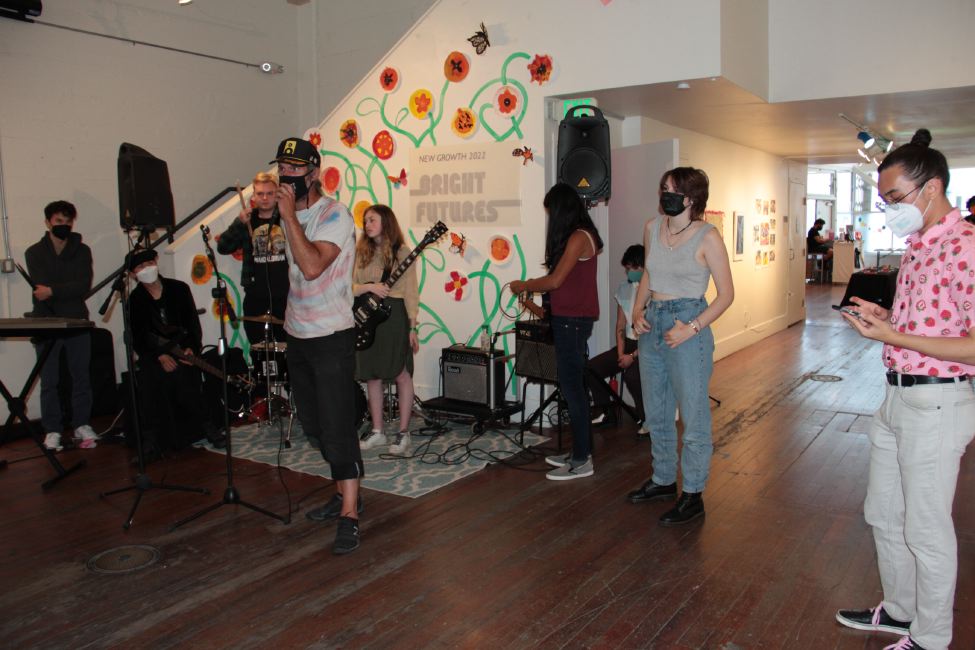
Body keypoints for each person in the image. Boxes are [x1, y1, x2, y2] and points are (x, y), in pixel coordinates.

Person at [836, 129, 975, 650]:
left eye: (895, 198)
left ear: (931, 188)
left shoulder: (966, 247)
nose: (889, 209)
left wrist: (893, 335)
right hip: (897, 396)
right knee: (884, 513)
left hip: (938, 401)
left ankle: (932, 637)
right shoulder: (919, 245)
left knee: (926, 528)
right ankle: (901, 612)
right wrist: (887, 318)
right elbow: (933, 324)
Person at [626, 167, 734, 525]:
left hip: (687, 323)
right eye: (663, 188)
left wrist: (693, 327)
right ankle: (663, 480)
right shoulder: (652, 227)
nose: (665, 195)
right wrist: (637, 310)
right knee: (656, 412)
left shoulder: (707, 237)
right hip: (653, 323)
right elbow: (649, 274)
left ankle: (693, 494)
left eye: (672, 190)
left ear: (690, 198)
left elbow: (726, 295)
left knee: (693, 415)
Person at [272, 137, 363, 555]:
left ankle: (350, 512)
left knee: (337, 425)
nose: (285, 175)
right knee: (312, 425)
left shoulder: (335, 215)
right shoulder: (287, 214)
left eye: (294, 169)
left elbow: (310, 267)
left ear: (313, 174)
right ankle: (343, 489)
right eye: (281, 168)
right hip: (298, 335)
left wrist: (289, 217)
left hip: (331, 336)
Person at [510, 183, 603, 481]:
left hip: (572, 323)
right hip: (569, 321)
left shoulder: (579, 237)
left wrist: (524, 285)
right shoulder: (581, 235)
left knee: (573, 391)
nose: (550, 218)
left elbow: (554, 281)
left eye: (551, 211)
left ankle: (581, 461)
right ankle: (580, 451)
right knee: (574, 389)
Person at [126, 248, 225, 458]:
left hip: (182, 350)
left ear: (156, 262)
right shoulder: (135, 300)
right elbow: (138, 336)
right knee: (148, 383)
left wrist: (191, 348)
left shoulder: (179, 289)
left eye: (149, 263)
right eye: (140, 267)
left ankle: (209, 428)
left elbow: (192, 325)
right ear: (133, 274)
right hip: (155, 355)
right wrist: (159, 356)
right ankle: (151, 440)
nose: (146, 269)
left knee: (189, 381)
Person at [24, 200, 98, 451]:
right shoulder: (34, 252)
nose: (63, 225)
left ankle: (82, 424)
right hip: (46, 322)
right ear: (48, 223)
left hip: (77, 320)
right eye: (58, 221)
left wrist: (53, 290)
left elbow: (82, 286)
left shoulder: (83, 250)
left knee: (81, 377)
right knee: (49, 380)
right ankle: (52, 430)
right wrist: (63, 289)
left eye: (67, 221)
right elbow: (41, 286)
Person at [353, 204, 419, 455]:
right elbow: (350, 286)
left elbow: (411, 292)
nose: (367, 224)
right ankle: (378, 431)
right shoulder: (361, 251)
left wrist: (412, 326)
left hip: (394, 316)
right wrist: (370, 287)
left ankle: (403, 433)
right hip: (367, 315)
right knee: (372, 374)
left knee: (401, 372)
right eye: (365, 220)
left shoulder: (402, 252)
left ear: (386, 222)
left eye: (372, 220)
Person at [216, 172, 289, 344]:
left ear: (277, 194)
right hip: (255, 296)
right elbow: (223, 247)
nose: (265, 198)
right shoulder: (247, 220)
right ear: (253, 196)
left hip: (286, 296)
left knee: (288, 348)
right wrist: (238, 223)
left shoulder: (287, 218)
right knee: (258, 348)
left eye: (270, 193)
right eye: (260, 193)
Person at [587, 244, 646, 430]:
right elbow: (620, 325)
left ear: (642, 266)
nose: (628, 273)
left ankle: (646, 419)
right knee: (592, 368)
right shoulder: (624, 289)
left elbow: (655, 336)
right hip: (627, 343)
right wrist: (621, 354)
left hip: (647, 347)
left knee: (632, 376)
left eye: (631, 268)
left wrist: (632, 357)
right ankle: (606, 413)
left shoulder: (655, 292)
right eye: (627, 269)